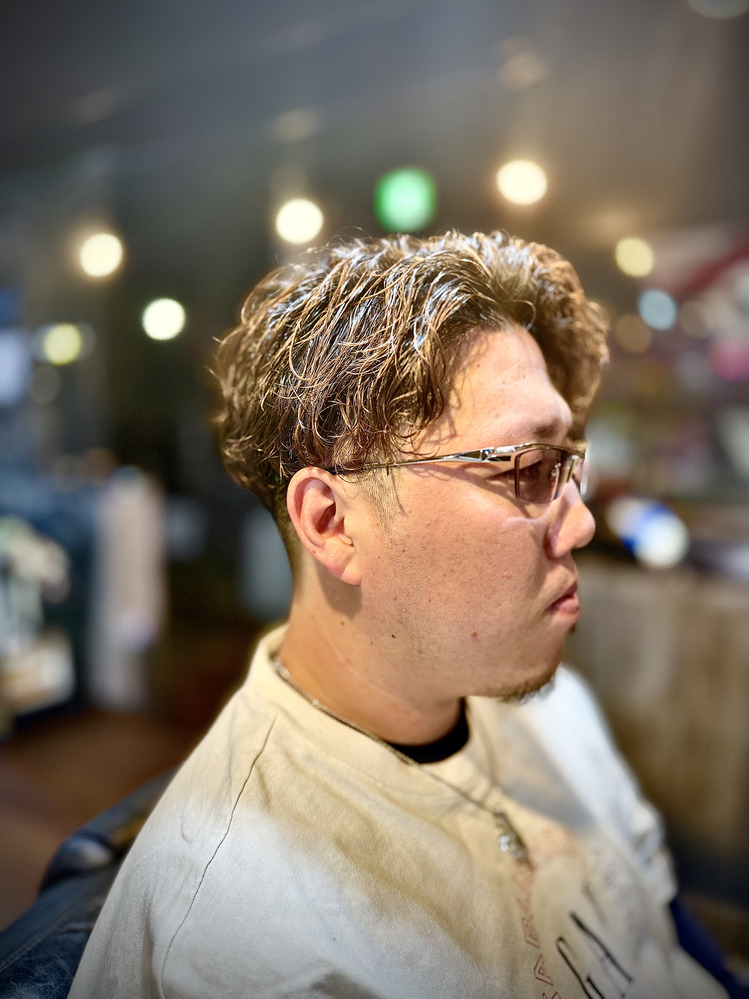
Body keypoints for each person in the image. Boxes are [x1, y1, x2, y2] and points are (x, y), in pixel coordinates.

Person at [71, 231, 734, 998]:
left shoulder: (549, 706)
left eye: (568, 463)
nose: (580, 523)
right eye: (527, 468)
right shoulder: (245, 944)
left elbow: (664, 930)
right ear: (332, 523)